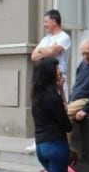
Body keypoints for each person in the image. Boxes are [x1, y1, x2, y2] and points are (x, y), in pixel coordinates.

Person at [30, 57, 85, 172]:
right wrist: (62, 94)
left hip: (42, 147)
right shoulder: (52, 96)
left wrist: (60, 90)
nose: (58, 73)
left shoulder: (36, 95)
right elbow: (67, 125)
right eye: (56, 70)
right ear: (48, 73)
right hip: (56, 147)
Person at [28, 9, 71, 152]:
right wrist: (46, 50)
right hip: (43, 78)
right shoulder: (46, 39)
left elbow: (53, 53)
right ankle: (38, 140)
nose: (44, 25)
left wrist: (43, 51)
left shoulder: (64, 37)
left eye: (46, 21)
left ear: (54, 21)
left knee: (59, 108)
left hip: (57, 78)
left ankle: (64, 140)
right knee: (40, 107)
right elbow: (33, 56)